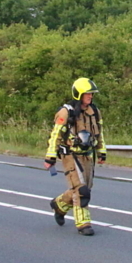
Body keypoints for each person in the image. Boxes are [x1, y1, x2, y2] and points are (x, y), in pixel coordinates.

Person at [44, 78, 107, 236]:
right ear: (79, 94)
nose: (90, 97)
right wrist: (50, 156)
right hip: (70, 155)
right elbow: (56, 134)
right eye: (87, 94)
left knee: (85, 187)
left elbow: (99, 133)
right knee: (81, 190)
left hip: (87, 155)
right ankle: (83, 224)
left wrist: (101, 151)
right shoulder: (66, 112)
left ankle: (59, 205)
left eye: (91, 94)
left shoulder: (94, 111)